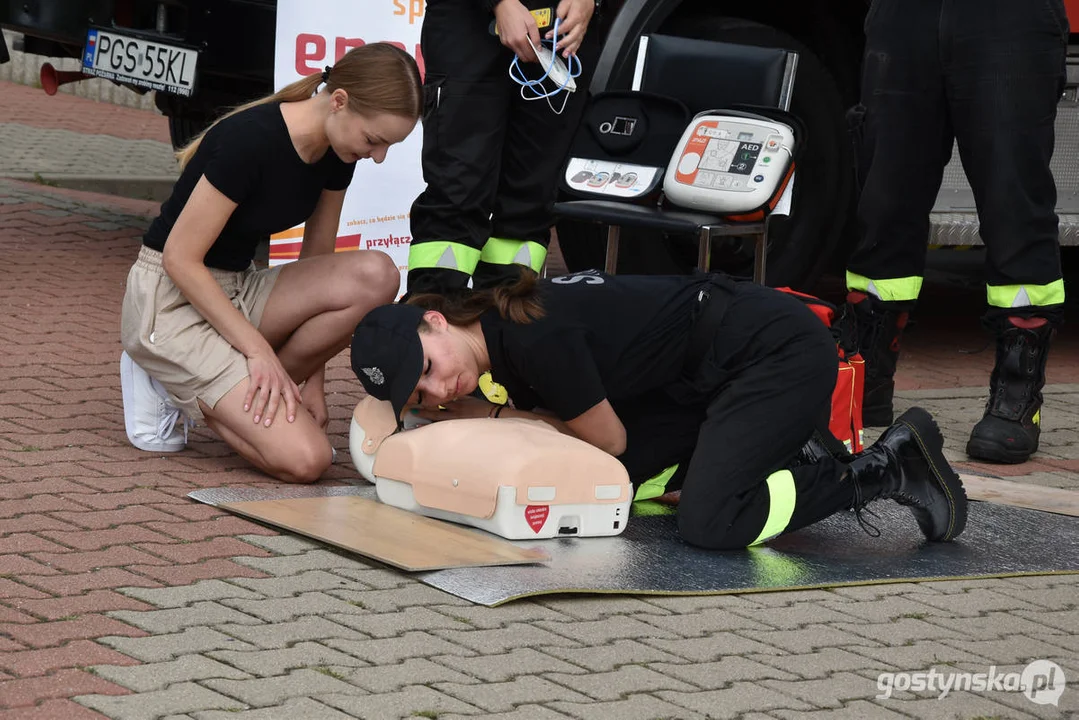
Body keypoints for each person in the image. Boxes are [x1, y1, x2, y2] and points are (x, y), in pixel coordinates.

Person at [349, 270, 968, 551]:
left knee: (711, 524)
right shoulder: (501, 335)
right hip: (701, 377)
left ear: (435, 319)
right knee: (624, 491)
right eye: (421, 397)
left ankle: (884, 468)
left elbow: (605, 440)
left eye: (427, 368)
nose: (438, 392)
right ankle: (777, 448)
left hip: (773, 351)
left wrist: (487, 424)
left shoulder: (533, 340)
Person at [119, 43, 423, 484]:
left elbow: (316, 265)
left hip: (237, 289)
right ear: (338, 102)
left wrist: (312, 386)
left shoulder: (338, 153)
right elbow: (180, 260)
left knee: (378, 275)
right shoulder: (252, 139)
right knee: (308, 460)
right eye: (374, 141)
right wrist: (258, 351)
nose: (377, 157)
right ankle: (165, 378)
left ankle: (234, 384)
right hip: (172, 301)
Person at [839, 0, 1068, 464]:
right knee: (884, 201)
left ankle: (1017, 398)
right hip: (904, 16)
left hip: (1010, 16)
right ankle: (866, 379)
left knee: (1013, 203)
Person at [404, 0, 599, 296]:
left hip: (560, 33)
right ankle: (431, 319)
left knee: (531, 198)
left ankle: (506, 326)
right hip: (469, 24)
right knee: (456, 192)